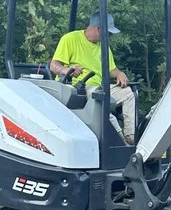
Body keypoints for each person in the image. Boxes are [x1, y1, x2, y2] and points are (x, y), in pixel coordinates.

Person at [49, 13, 136, 145]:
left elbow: (111, 69)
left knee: (128, 93)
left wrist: (119, 74)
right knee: (104, 105)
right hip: (77, 88)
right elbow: (54, 65)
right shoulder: (70, 39)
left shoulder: (104, 47)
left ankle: (131, 137)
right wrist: (67, 70)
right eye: (108, 33)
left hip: (99, 89)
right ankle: (121, 144)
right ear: (98, 29)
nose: (109, 36)